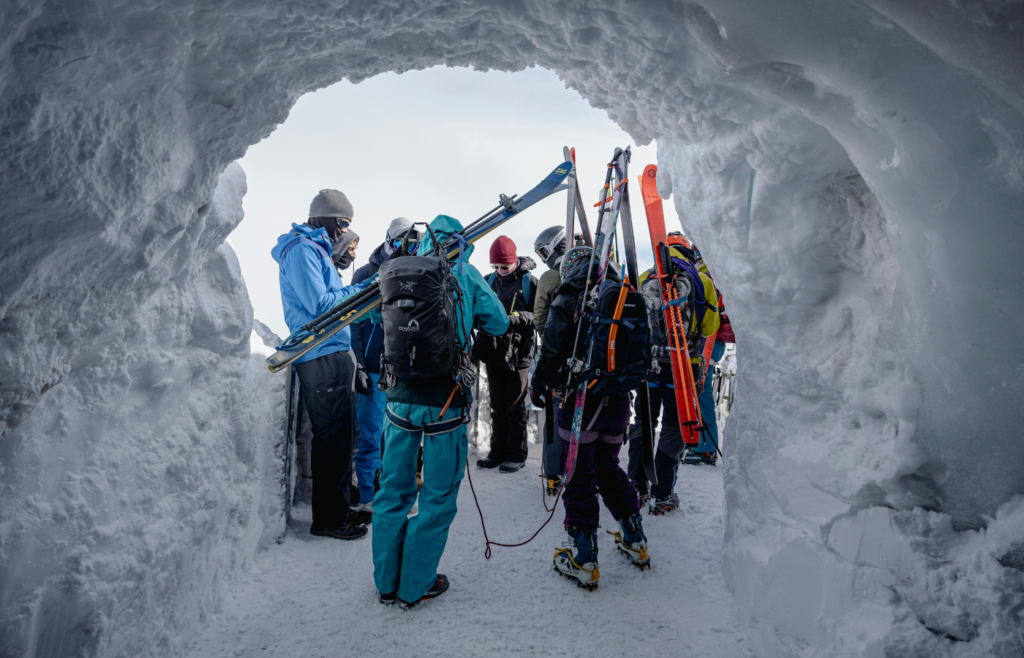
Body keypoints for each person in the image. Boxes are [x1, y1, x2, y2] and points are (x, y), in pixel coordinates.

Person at [371, 215, 508, 608]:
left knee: (393, 490)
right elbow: (498, 323)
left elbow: (369, 314)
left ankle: (386, 583)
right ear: (462, 241)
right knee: (437, 494)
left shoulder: (397, 269)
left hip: (398, 398)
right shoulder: (464, 273)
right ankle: (415, 585)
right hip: (444, 401)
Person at [530, 246, 649, 590]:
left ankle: (582, 558)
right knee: (608, 469)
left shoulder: (572, 294)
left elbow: (552, 345)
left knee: (578, 474)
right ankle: (635, 538)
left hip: (583, 401)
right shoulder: (623, 293)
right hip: (618, 401)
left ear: (570, 268)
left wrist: (540, 384)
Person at [271, 189, 372, 541]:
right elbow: (321, 305)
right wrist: (366, 288)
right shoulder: (301, 250)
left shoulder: (317, 250)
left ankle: (340, 507)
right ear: (325, 218)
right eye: (342, 223)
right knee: (331, 439)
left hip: (333, 351)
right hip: (319, 355)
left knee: (343, 437)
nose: (343, 231)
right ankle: (328, 519)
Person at [626, 235, 719, 512]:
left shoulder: (646, 275)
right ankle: (663, 494)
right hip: (684, 368)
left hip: (650, 365)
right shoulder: (702, 281)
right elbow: (709, 327)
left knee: (643, 423)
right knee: (674, 428)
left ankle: (637, 485)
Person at [349, 218, 414, 520]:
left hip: (400, 371)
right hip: (375, 371)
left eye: (411, 242)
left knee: (398, 438)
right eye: (401, 241)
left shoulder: (413, 273)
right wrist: (359, 365)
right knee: (372, 435)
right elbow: (354, 324)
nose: (406, 248)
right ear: (389, 240)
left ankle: (392, 495)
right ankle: (366, 496)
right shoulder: (366, 273)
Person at [474, 236, 537, 474]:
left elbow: (540, 315)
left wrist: (516, 318)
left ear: (514, 261)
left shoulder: (530, 282)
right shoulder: (489, 281)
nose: (500, 271)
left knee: (515, 405)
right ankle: (497, 452)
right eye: (496, 266)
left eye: (505, 266)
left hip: (519, 353)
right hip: (494, 351)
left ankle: (516, 455)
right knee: (497, 405)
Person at [532, 226, 567, 492]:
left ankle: (554, 473)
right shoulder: (600, 267)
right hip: (593, 357)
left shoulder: (549, 277)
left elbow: (540, 319)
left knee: (555, 415)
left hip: (559, 359)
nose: (544, 258)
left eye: (544, 251)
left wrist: (551, 339)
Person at [684, 283, 732, 466]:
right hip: (708, 343)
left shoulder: (703, 278)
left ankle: (705, 447)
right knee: (696, 392)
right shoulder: (710, 277)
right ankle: (698, 441)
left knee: (700, 392)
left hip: (706, 344)